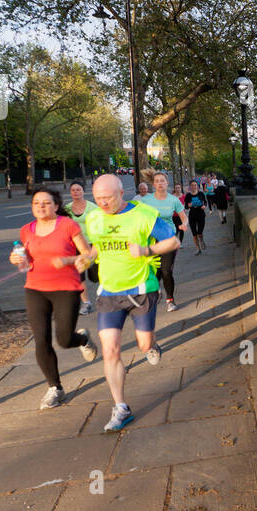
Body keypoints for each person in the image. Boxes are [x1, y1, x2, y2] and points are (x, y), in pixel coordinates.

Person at [78, 174, 180, 432]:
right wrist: (86, 260)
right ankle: (121, 407)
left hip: (142, 289)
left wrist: (146, 250)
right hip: (109, 293)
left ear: (121, 193)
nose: (102, 203)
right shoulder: (94, 217)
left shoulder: (144, 214)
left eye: (107, 198)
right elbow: (97, 248)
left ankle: (152, 344)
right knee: (110, 350)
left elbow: (173, 240)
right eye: (98, 198)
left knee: (143, 344)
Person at [13, 187, 98, 409]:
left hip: (66, 288)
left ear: (57, 205)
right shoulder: (26, 230)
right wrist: (17, 259)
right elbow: (25, 262)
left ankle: (82, 339)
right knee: (40, 339)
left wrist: (72, 261)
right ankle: (55, 388)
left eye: (46, 202)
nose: (41, 206)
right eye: (36, 203)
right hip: (35, 289)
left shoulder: (68, 225)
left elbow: (87, 253)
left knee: (64, 339)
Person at [139, 171, 185, 312]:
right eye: (157, 181)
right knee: (155, 271)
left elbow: (184, 217)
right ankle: (156, 291)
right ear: (153, 184)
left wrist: (185, 224)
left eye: (162, 181)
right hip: (151, 239)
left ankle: (170, 299)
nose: (160, 183)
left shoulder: (173, 200)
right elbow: (137, 217)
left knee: (166, 271)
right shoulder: (145, 200)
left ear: (167, 183)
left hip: (168, 238)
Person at [66, 180, 97, 314]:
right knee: (79, 275)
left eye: (78, 189)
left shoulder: (92, 207)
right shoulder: (66, 209)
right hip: (75, 245)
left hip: (92, 244)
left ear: (83, 191)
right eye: (73, 190)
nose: (76, 192)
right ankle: (86, 303)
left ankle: (104, 297)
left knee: (96, 275)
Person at [183, 180, 207, 254]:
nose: (194, 186)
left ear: (197, 186)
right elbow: (186, 206)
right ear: (190, 187)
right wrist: (188, 206)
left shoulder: (201, 194)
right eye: (192, 185)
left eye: (195, 185)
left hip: (201, 214)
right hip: (192, 215)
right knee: (194, 233)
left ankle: (201, 239)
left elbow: (205, 202)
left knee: (200, 232)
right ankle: (197, 248)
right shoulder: (188, 195)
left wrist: (204, 206)